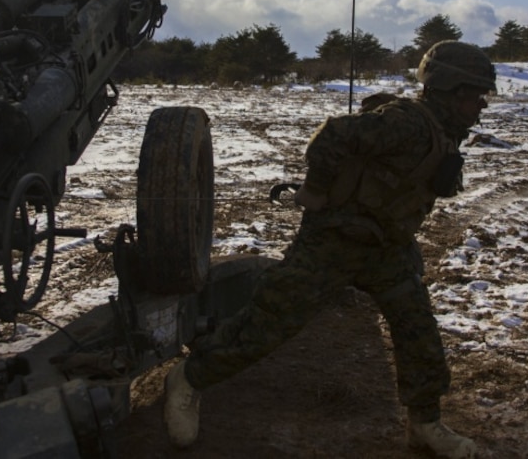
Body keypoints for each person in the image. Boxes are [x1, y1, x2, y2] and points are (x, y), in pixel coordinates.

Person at [162, 41, 495, 458]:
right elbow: (333, 136)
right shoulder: (404, 123)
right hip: (333, 241)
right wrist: (316, 191)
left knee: (418, 332)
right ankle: (189, 379)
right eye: (474, 96)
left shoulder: (442, 132)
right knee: (272, 320)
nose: (481, 106)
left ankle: (424, 423)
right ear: (448, 89)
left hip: (386, 249)